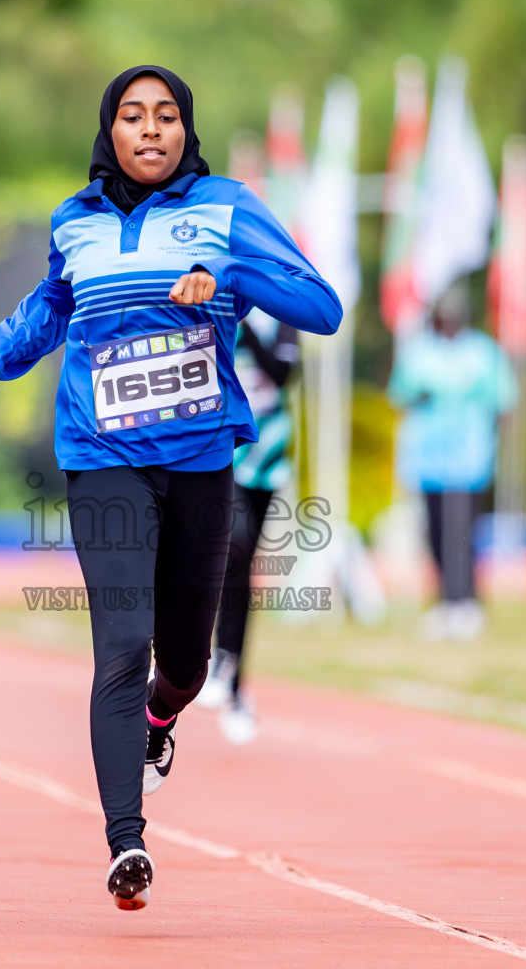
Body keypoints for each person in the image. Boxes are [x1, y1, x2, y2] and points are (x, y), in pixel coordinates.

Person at [0, 65, 340, 911]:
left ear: (185, 130)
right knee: (121, 644)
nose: (151, 130)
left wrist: (232, 279)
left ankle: (162, 724)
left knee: (186, 664)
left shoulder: (229, 207)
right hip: (101, 455)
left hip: (201, 460)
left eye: (167, 116)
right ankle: (125, 840)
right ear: (111, 131)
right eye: (133, 116)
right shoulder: (76, 222)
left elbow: (321, 307)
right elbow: (49, 308)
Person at [195, 313, 300, 744]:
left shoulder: (283, 321)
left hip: (268, 456)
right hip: (221, 449)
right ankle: (213, 662)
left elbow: (282, 373)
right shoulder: (216, 307)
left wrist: (250, 325)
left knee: (241, 566)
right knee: (228, 554)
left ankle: (234, 679)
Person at [387, 286, 515, 641]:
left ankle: (466, 601)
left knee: (463, 531)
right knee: (437, 532)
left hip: (468, 458)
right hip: (429, 459)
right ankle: (445, 599)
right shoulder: (420, 351)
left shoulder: (482, 351)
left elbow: (504, 397)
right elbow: (400, 393)